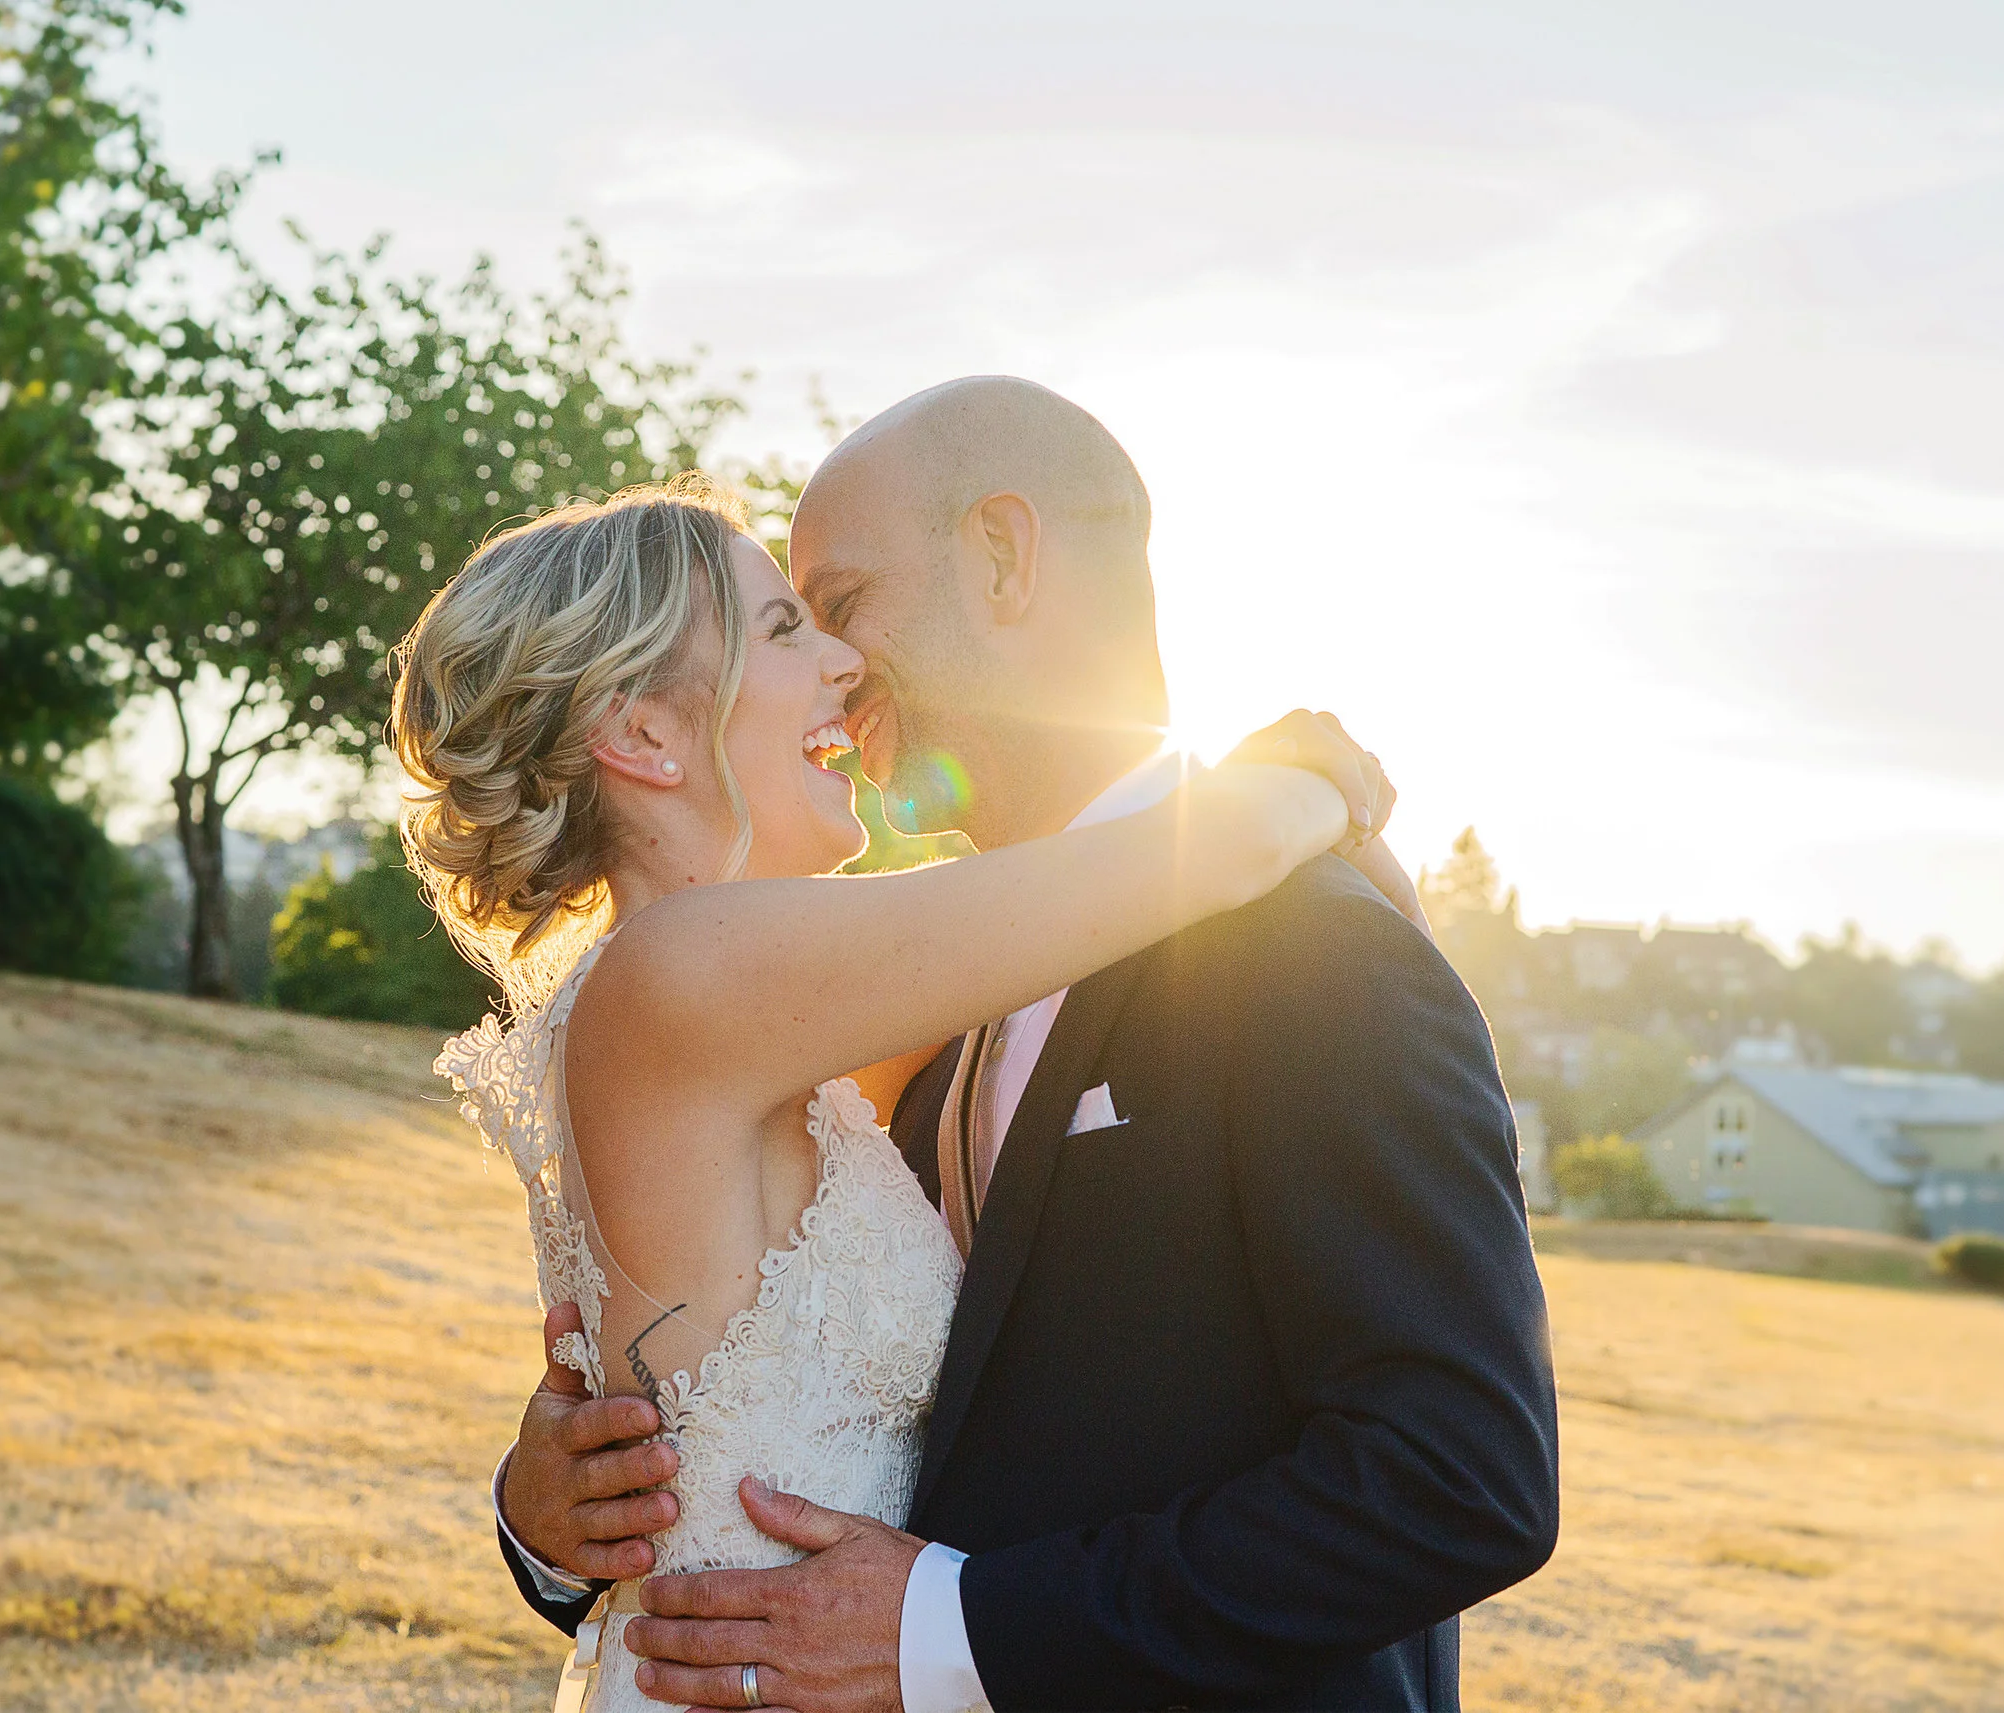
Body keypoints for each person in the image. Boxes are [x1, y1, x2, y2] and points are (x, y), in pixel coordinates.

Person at [489, 379, 1560, 1713]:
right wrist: (552, 1518)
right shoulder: (894, 1003)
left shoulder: (1307, 951)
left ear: (1002, 557)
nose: (840, 663)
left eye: (847, 604)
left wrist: (956, 1630)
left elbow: (1457, 1482)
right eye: (795, 626)